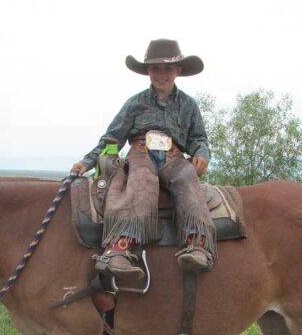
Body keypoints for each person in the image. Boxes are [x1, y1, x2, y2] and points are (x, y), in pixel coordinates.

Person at [71, 39, 216, 280]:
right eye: (155, 68)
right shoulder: (135, 103)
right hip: (141, 153)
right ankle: (120, 248)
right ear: (148, 71)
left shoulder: (189, 106)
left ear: (178, 71)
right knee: (140, 183)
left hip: (174, 155)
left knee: (186, 178)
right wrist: (86, 162)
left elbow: (198, 138)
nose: (161, 74)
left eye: (167, 68)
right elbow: (112, 138)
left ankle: (198, 243)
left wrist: (202, 154)